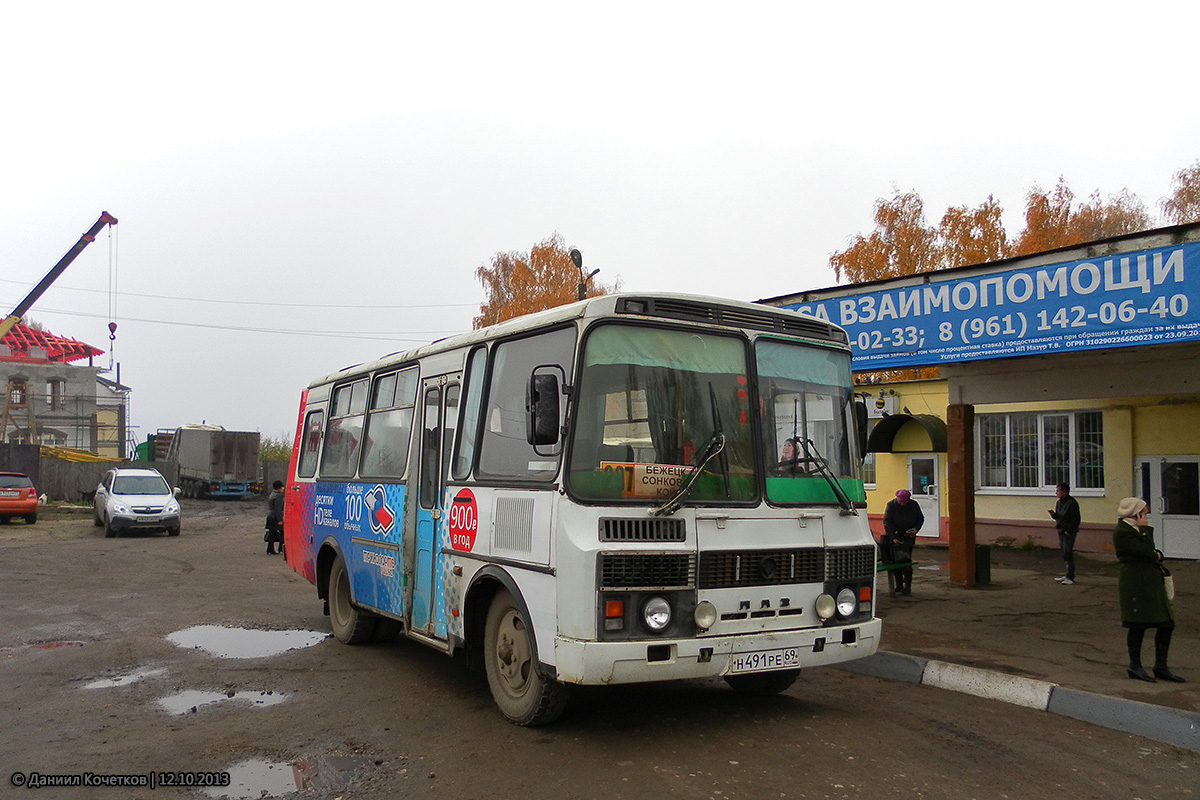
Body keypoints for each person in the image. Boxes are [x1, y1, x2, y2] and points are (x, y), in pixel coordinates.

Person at [1113, 497, 1184, 683]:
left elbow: (1149, 553)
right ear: (1135, 513)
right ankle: (1134, 666)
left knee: (1167, 623)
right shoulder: (1123, 531)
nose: (1146, 515)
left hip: (1151, 581)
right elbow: (1146, 552)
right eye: (1144, 512)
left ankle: (1161, 666)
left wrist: (1154, 554)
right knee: (1138, 625)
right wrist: (1145, 531)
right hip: (1135, 582)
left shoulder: (1134, 529)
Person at [881, 489, 923, 595]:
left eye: (904, 501)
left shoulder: (914, 505)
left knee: (906, 560)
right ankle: (899, 584)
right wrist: (893, 537)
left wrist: (915, 529)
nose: (902, 503)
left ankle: (907, 586)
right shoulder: (891, 505)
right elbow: (887, 522)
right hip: (894, 535)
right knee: (895, 561)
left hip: (908, 537)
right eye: (900, 501)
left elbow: (920, 519)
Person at [1048, 482, 1081, 584]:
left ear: (1064, 491)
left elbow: (1076, 519)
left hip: (1068, 532)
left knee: (1068, 553)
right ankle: (1067, 574)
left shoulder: (1072, 503)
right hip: (1061, 530)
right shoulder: (1059, 503)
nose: (1056, 493)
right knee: (1064, 553)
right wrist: (1054, 515)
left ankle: (1070, 577)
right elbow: (1060, 516)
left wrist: (1069, 531)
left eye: (1058, 491)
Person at [265, 480, 285, 555]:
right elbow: (278, 509)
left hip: (270, 515)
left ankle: (270, 549)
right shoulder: (279, 496)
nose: (283, 488)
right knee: (282, 532)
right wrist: (280, 520)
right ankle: (281, 548)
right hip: (275, 516)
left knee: (272, 533)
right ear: (279, 488)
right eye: (282, 487)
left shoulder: (272, 494)